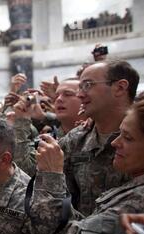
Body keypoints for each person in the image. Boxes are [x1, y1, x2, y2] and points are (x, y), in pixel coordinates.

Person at [30, 100, 144, 234]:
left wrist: (52, 177)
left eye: (128, 137)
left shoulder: (137, 201)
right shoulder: (132, 187)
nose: (115, 143)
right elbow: (84, 227)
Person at [60, 60, 139, 216]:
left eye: (88, 85)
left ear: (120, 87)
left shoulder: (140, 137)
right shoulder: (76, 139)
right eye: (80, 87)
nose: (80, 94)